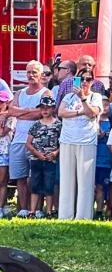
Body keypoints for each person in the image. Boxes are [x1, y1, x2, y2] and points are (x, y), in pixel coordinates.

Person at [57, 65, 104, 219]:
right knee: (66, 179)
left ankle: (83, 216)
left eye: (88, 79)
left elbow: (92, 113)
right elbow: (61, 112)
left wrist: (84, 99)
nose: (84, 82)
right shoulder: (68, 97)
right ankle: (65, 215)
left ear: (92, 81)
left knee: (85, 180)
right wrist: (79, 112)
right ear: (76, 80)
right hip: (67, 139)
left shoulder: (95, 97)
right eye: (81, 79)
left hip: (86, 140)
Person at [9, 60, 50, 213]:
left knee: (35, 177)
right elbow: (11, 111)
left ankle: (37, 209)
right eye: (28, 72)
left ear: (41, 75)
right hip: (18, 140)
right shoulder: (19, 92)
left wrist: (22, 112)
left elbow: (41, 113)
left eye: (34, 72)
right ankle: (24, 209)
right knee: (20, 177)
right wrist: (29, 110)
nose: (31, 75)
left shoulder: (45, 93)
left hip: (37, 142)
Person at [25, 94, 61, 218]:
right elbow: (28, 143)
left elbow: (63, 143)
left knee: (49, 186)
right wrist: (38, 154)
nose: (45, 110)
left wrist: (55, 153)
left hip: (51, 160)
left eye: (47, 107)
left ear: (53, 108)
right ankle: (32, 211)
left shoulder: (58, 125)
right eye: (42, 108)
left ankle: (49, 211)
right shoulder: (36, 125)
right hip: (36, 159)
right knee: (34, 185)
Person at [0, 80, 14, 216]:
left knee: (2, 181)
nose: (0, 104)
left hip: (4, 152)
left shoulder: (10, 118)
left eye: (2, 102)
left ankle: (1, 207)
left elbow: (3, 132)